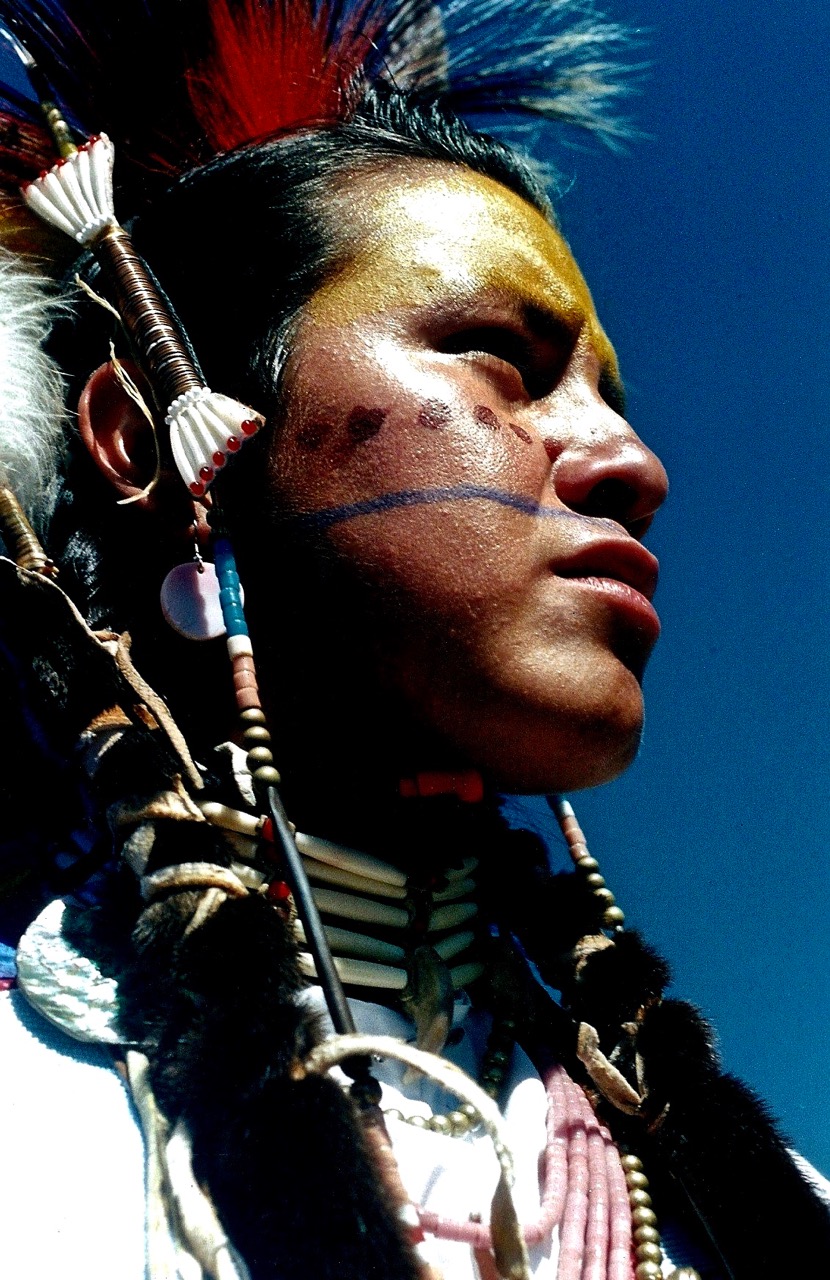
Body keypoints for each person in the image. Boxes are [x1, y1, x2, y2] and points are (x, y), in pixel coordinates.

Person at [0, 3, 828, 1279]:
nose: (632, 463)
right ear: (143, 436)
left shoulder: (751, 1209)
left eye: (607, 397)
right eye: (499, 358)